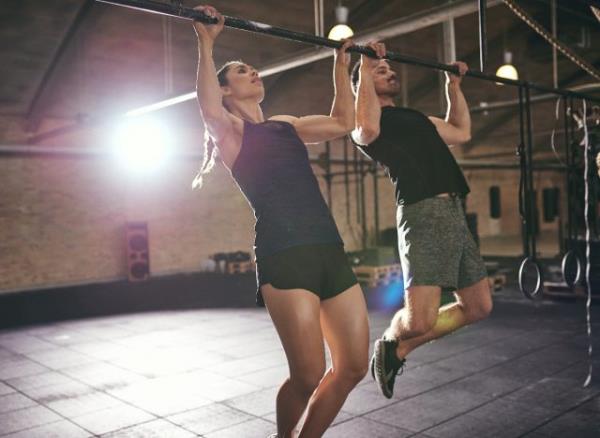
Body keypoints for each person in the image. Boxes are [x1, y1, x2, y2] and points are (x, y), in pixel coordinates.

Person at [192, 6, 369, 437]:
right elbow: (208, 109)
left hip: (329, 249)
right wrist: (206, 40)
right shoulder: (231, 131)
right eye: (240, 70)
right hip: (284, 256)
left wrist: (341, 65)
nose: (252, 71)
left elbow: (345, 122)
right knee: (307, 375)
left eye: (252, 67)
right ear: (225, 89)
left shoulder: (286, 124)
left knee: (352, 368)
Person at [351, 43, 493, 399]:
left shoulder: (416, 118)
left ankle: (397, 349)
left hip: (454, 211)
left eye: (388, 68)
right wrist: (365, 69)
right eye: (379, 71)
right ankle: (391, 338)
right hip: (422, 211)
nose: (389, 72)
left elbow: (461, 132)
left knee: (479, 307)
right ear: (363, 83)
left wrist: (452, 88)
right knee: (421, 321)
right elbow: (366, 127)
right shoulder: (365, 123)